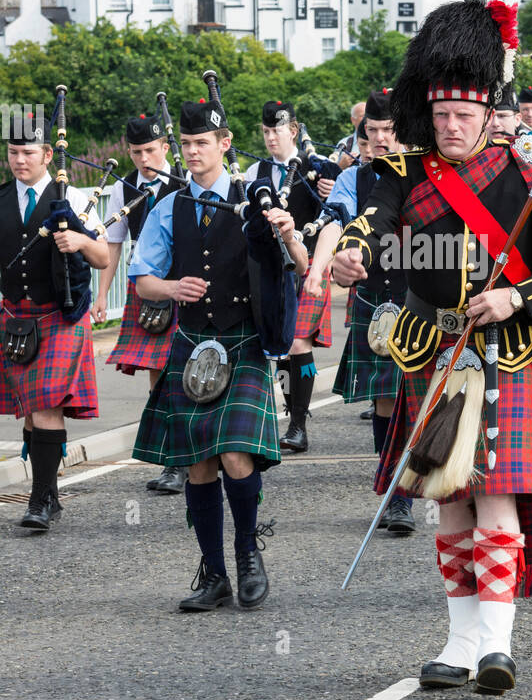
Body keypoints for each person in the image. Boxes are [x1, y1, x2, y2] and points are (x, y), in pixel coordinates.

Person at [332, 0, 532, 695]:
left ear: (488, 113)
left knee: (497, 498)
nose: (450, 128)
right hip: (430, 351)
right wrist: (350, 257)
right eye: (441, 115)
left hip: (507, 354)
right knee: (449, 502)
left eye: (463, 117)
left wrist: (514, 296)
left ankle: (496, 648)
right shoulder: (403, 171)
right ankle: (456, 643)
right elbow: (369, 222)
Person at [129, 99, 307, 611]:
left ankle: (248, 552)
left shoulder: (256, 197)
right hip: (193, 344)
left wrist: (289, 233)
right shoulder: (169, 206)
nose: (191, 153)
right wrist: (169, 287)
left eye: (201, 143)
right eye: (185, 145)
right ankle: (213, 573)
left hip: (243, 339)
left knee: (233, 453)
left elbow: (297, 262)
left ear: (224, 144)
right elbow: (142, 280)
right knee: (198, 465)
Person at [307, 91, 414, 535]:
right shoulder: (356, 179)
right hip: (379, 301)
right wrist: (319, 269)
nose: (381, 141)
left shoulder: (430, 175)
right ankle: (395, 494)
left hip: (426, 299)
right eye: (372, 133)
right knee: (388, 399)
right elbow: (334, 221)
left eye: (389, 132)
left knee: (425, 399)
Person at [0, 115, 109, 533]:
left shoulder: (74, 199)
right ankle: (50, 491)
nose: (19, 161)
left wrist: (80, 240)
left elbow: (101, 256)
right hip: (15, 317)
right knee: (29, 413)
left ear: (48, 154)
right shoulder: (2, 199)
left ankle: (41, 498)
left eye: (28, 153)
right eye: (13, 153)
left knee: (45, 405)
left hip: (61, 316)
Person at [94, 111, 186, 494]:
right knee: (157, 376)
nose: (143, 159)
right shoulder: (123, 187)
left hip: (184, 287)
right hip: (145, 289)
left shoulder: (184, 182)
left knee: (184, 374)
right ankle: (172, 461)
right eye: (135, 152)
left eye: (150, 150)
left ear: (165, 147)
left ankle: (193, 456)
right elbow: (113, 244)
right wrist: (101, 295)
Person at [243, 100, 336, 455]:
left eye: (276, 130)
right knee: (281, 344)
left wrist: (330, 185)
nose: (270, 138)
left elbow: (336, 213)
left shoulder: (320, 169)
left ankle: (299, 424)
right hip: (273, 268)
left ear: (293, 130)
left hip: (310, 261)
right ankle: (289, 410)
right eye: (265, 131)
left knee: (299, 342)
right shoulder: (256, 174)